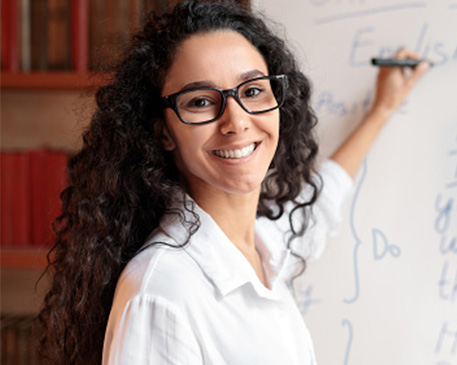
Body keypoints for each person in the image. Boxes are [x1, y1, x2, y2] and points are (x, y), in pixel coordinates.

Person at [37, 1, 429, 364]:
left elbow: (320, 204)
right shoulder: (163, 291)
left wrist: (382, 109)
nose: (237, 121)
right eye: (201, 101)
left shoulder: (263, 245)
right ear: (163, 132)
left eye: (253, 91)